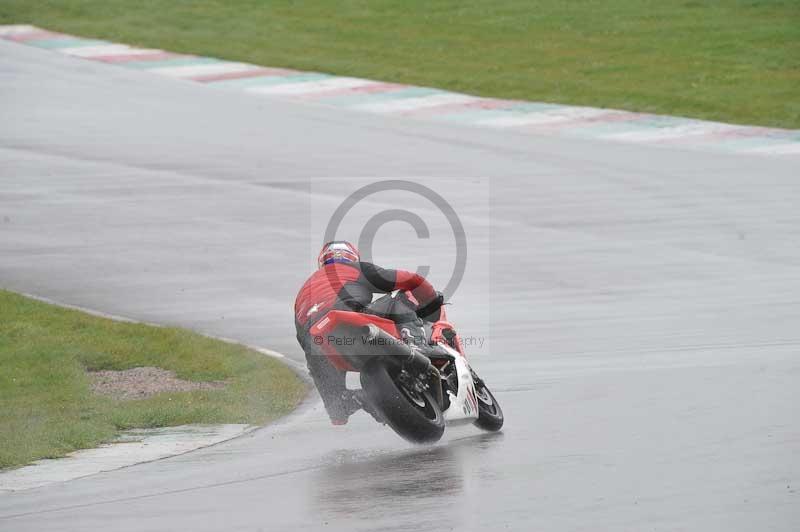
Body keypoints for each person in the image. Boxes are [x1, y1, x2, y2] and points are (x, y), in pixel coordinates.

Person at [294, 240, 444, 425]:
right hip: (348, 320)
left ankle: (359, 399)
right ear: (352, 257)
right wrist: (432, 299)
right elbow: (410, 279)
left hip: (320, 344)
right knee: (399, 298)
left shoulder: (302, 293)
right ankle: (417, 344)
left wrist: (334, 403)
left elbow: (305, 342)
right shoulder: (354, 269)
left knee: (338, 408)